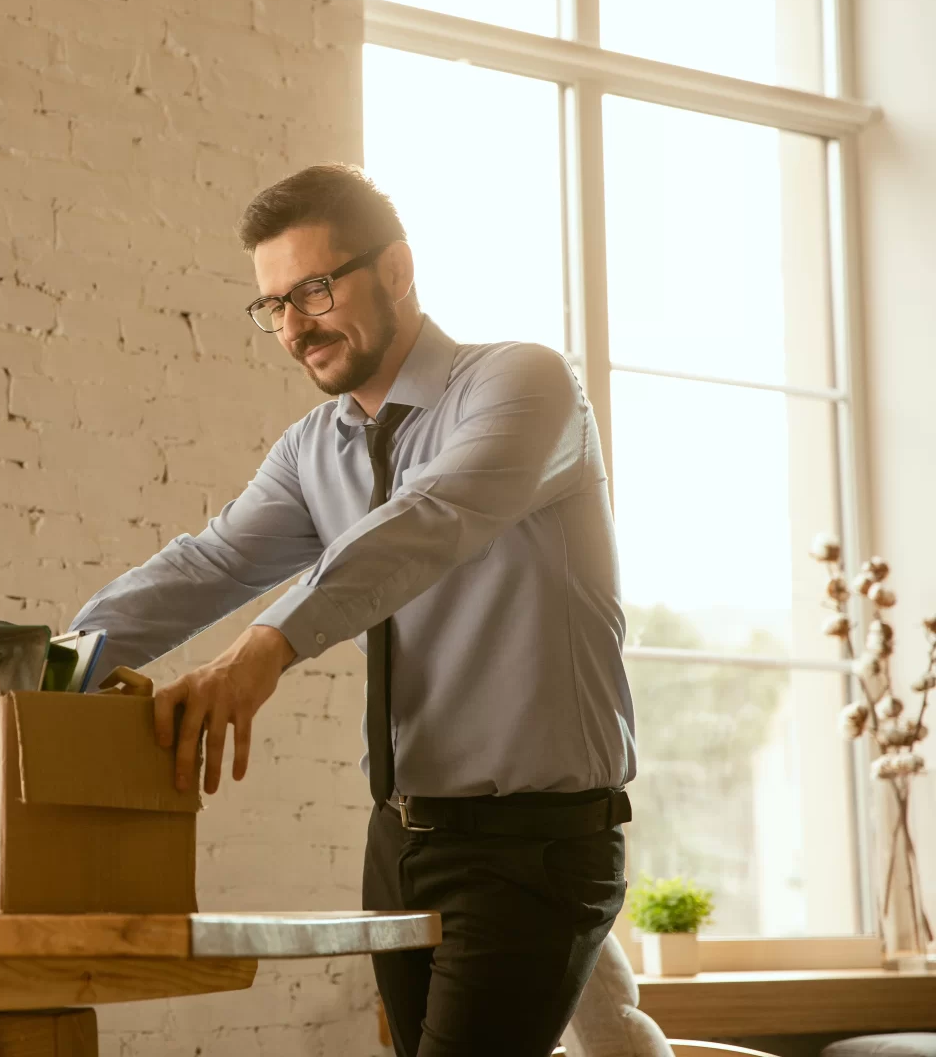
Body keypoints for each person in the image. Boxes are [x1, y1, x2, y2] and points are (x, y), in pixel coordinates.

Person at [69, 163, 636, 1057]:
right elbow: (211, 562)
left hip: (538, 844)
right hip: (402, 841)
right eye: (273, 307)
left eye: (316, 291)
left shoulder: (523, 385)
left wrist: (264, 650)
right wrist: (59, 664)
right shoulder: (313, 449)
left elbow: (426, 522)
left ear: (398, 271)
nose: (294, 328)